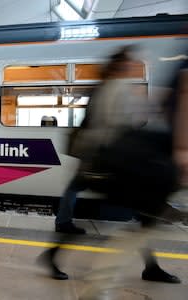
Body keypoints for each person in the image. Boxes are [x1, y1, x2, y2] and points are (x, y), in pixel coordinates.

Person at [38, 45, 181, 286]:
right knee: (141, 216)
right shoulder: (118, 89)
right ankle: (53, 255)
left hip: (101, 162)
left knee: (140, 216)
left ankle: (151, 267)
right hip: (111, 165)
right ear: (122, 66)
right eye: (130, 63)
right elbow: (122, 128)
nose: (133, 67)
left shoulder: (103, 87)